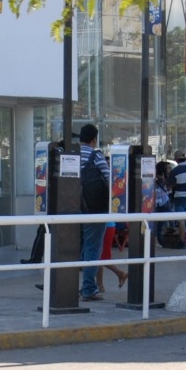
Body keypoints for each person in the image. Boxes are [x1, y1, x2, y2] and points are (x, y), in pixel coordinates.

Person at [77, 124, 110, 301]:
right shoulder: (95, 155)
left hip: (71, 208)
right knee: (92, 247)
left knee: (73, 247)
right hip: (93, 208)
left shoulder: (70, 154)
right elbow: (109, 177)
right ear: (94, 139)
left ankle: (63, 284)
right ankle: (89, 288)